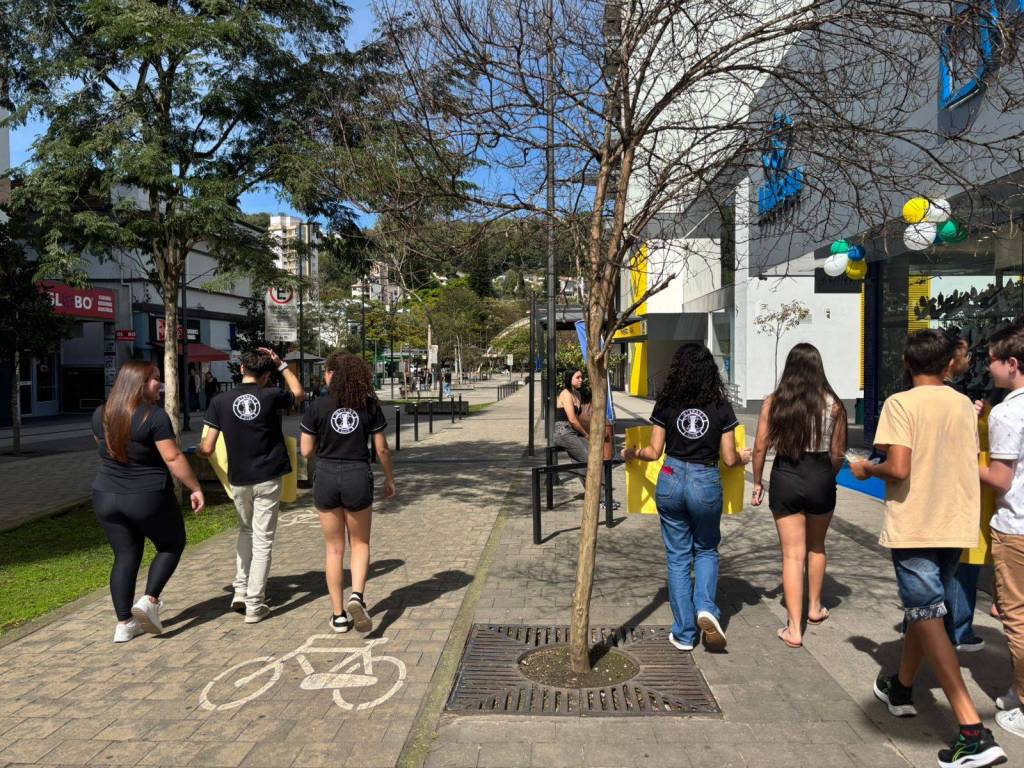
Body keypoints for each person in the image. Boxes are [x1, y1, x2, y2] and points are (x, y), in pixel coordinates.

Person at [851, 329, 1006, 768]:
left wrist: (866, 469)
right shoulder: (961, 404)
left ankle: (971, 731)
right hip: (955, 521)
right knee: (925, 611)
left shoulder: (900, 404)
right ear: (946, 364)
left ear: (907, 362)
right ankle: (901, 687)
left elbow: (898, 467)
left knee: (926, 612)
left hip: (917, 523)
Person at [622, 343, 750, 652]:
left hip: (671, 477)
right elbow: (729, 458)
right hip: (705, 480)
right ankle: (705, 607)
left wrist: (632, 453)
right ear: (710, 371)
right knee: (705, 549)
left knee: (678, 557)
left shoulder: (667, 402)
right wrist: (744, 458)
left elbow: (654, 452)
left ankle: (684, 633)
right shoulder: (720, 405)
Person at [91, 361, 205, 643]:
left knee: (125, 555)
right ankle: (149, 601)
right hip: (146, 495)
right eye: (155, 379)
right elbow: (173, 457)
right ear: (138, 384)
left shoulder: (101, 413)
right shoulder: (154, 416)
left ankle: (124, 624)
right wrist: (195, 487)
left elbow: (105, 449)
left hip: (106, 496)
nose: (160, 385)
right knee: (172, 543)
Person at [751, 343, 847, 649]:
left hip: (787, 474)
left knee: (792, 554)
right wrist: (827, 476)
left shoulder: (774, 402)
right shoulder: (834, 405)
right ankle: (815, 607)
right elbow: (838, 452)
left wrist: (757, 481)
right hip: (820, 473)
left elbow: (760, 447)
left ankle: (794, 628)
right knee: (817, 546)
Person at [198, 347, 303, 624]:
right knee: (263, 539)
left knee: (245, 531)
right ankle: (255, 603)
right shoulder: (271, 395)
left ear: (242, 369)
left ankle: (240, 591)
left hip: (239, 477)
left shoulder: (220, 401)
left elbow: (207, 448)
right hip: (268, 475)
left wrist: (199, 450)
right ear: (266, 375)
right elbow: (298, 393)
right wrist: (282, 365)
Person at [300, 352, 396, 633]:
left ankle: (338, 615)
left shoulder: (317, 406)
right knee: (360, 543)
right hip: (357, 474)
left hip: (326, 475)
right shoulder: (368, 405)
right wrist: (390, 479)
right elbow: (381, 449)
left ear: (332, 375)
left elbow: (305, 450)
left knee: (334, 549)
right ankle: (357, 596)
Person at [977, 326, 1024, 739]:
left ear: (1012, 364)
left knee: (1017, 618)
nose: (988, 367)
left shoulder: (1007, 413)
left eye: (992, 360)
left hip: (1016, 527)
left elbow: (1000, 478)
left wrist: (964, 459)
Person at [943, 336, 988, 654]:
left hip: (942, 496)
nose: (970, 360)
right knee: (959, 565)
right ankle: (958, 629)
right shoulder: (957, 401)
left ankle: (928, 627)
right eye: (965, 354)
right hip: (958, 493)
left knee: (939, 569)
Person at [554, 370, 590, 491]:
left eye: (582, 377)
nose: (581, 380)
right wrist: (585, 434)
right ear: (570, 378)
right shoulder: (566, 394)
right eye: (578, 377)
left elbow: (577, 420)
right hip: (562, 431)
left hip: (573, 431)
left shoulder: (577, 394)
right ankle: (594, 493)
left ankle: (595, 493)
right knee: (585, 458)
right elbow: (572, 419)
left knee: (589, 455)